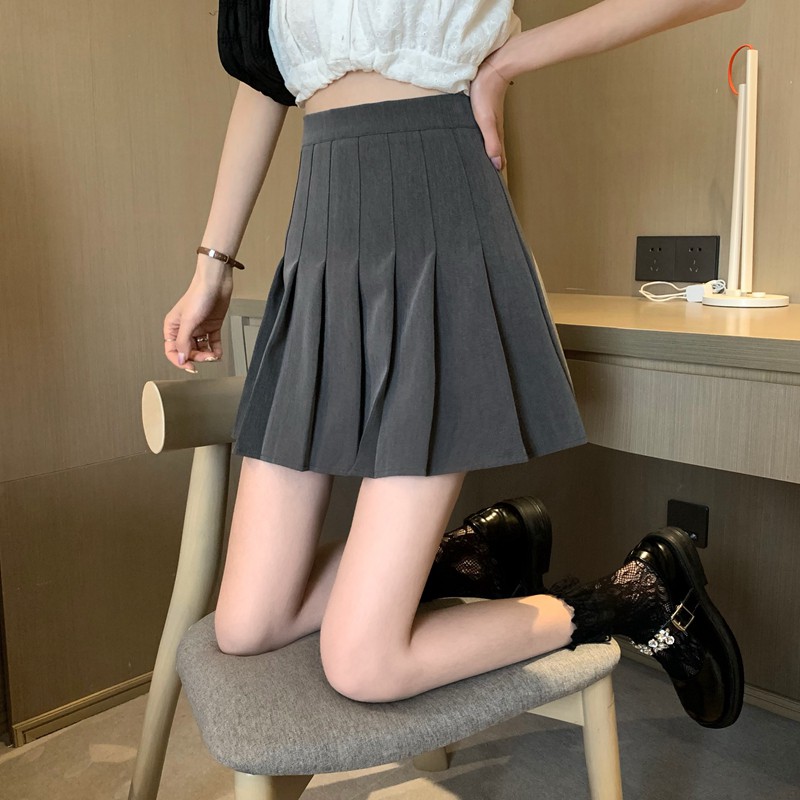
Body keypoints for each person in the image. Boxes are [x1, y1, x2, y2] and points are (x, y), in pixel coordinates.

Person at [163, 0, 746, 729]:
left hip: (439, 228)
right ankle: (476, 553)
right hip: (320, 248)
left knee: (363, 664)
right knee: (246, 625)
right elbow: (262, 80)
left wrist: (507, 62)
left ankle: (633, 594)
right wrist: (212, 266)